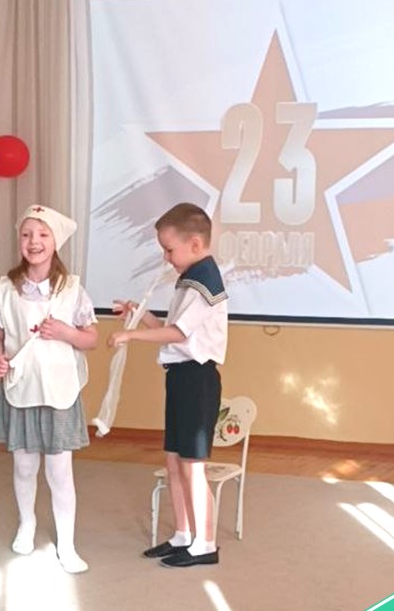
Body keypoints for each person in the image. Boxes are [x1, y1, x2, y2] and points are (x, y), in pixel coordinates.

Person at [109, 202, 228, 568]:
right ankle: (183, 534)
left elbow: (178, 334)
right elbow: (171, 329)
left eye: (169, 249)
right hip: (180, 377)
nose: (166, 257)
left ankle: (205, 544)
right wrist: (139, 314)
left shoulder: (205, 281)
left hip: (197, 379)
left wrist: (130, 335)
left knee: (193, 466)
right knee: (175, 461)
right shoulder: (190, 280)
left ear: (195, 244)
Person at [0, 204, 97, 574]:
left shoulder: (72, 289)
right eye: (27, 234)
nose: (34, 242)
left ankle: (66, 542)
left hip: (59, 391)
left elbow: (91, 338)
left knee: (60, 471)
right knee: (23, 466)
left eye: (43, 234)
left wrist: (66, 332)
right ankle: (27, 523)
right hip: (22, 388)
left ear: (56, 241)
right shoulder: (6, 287)